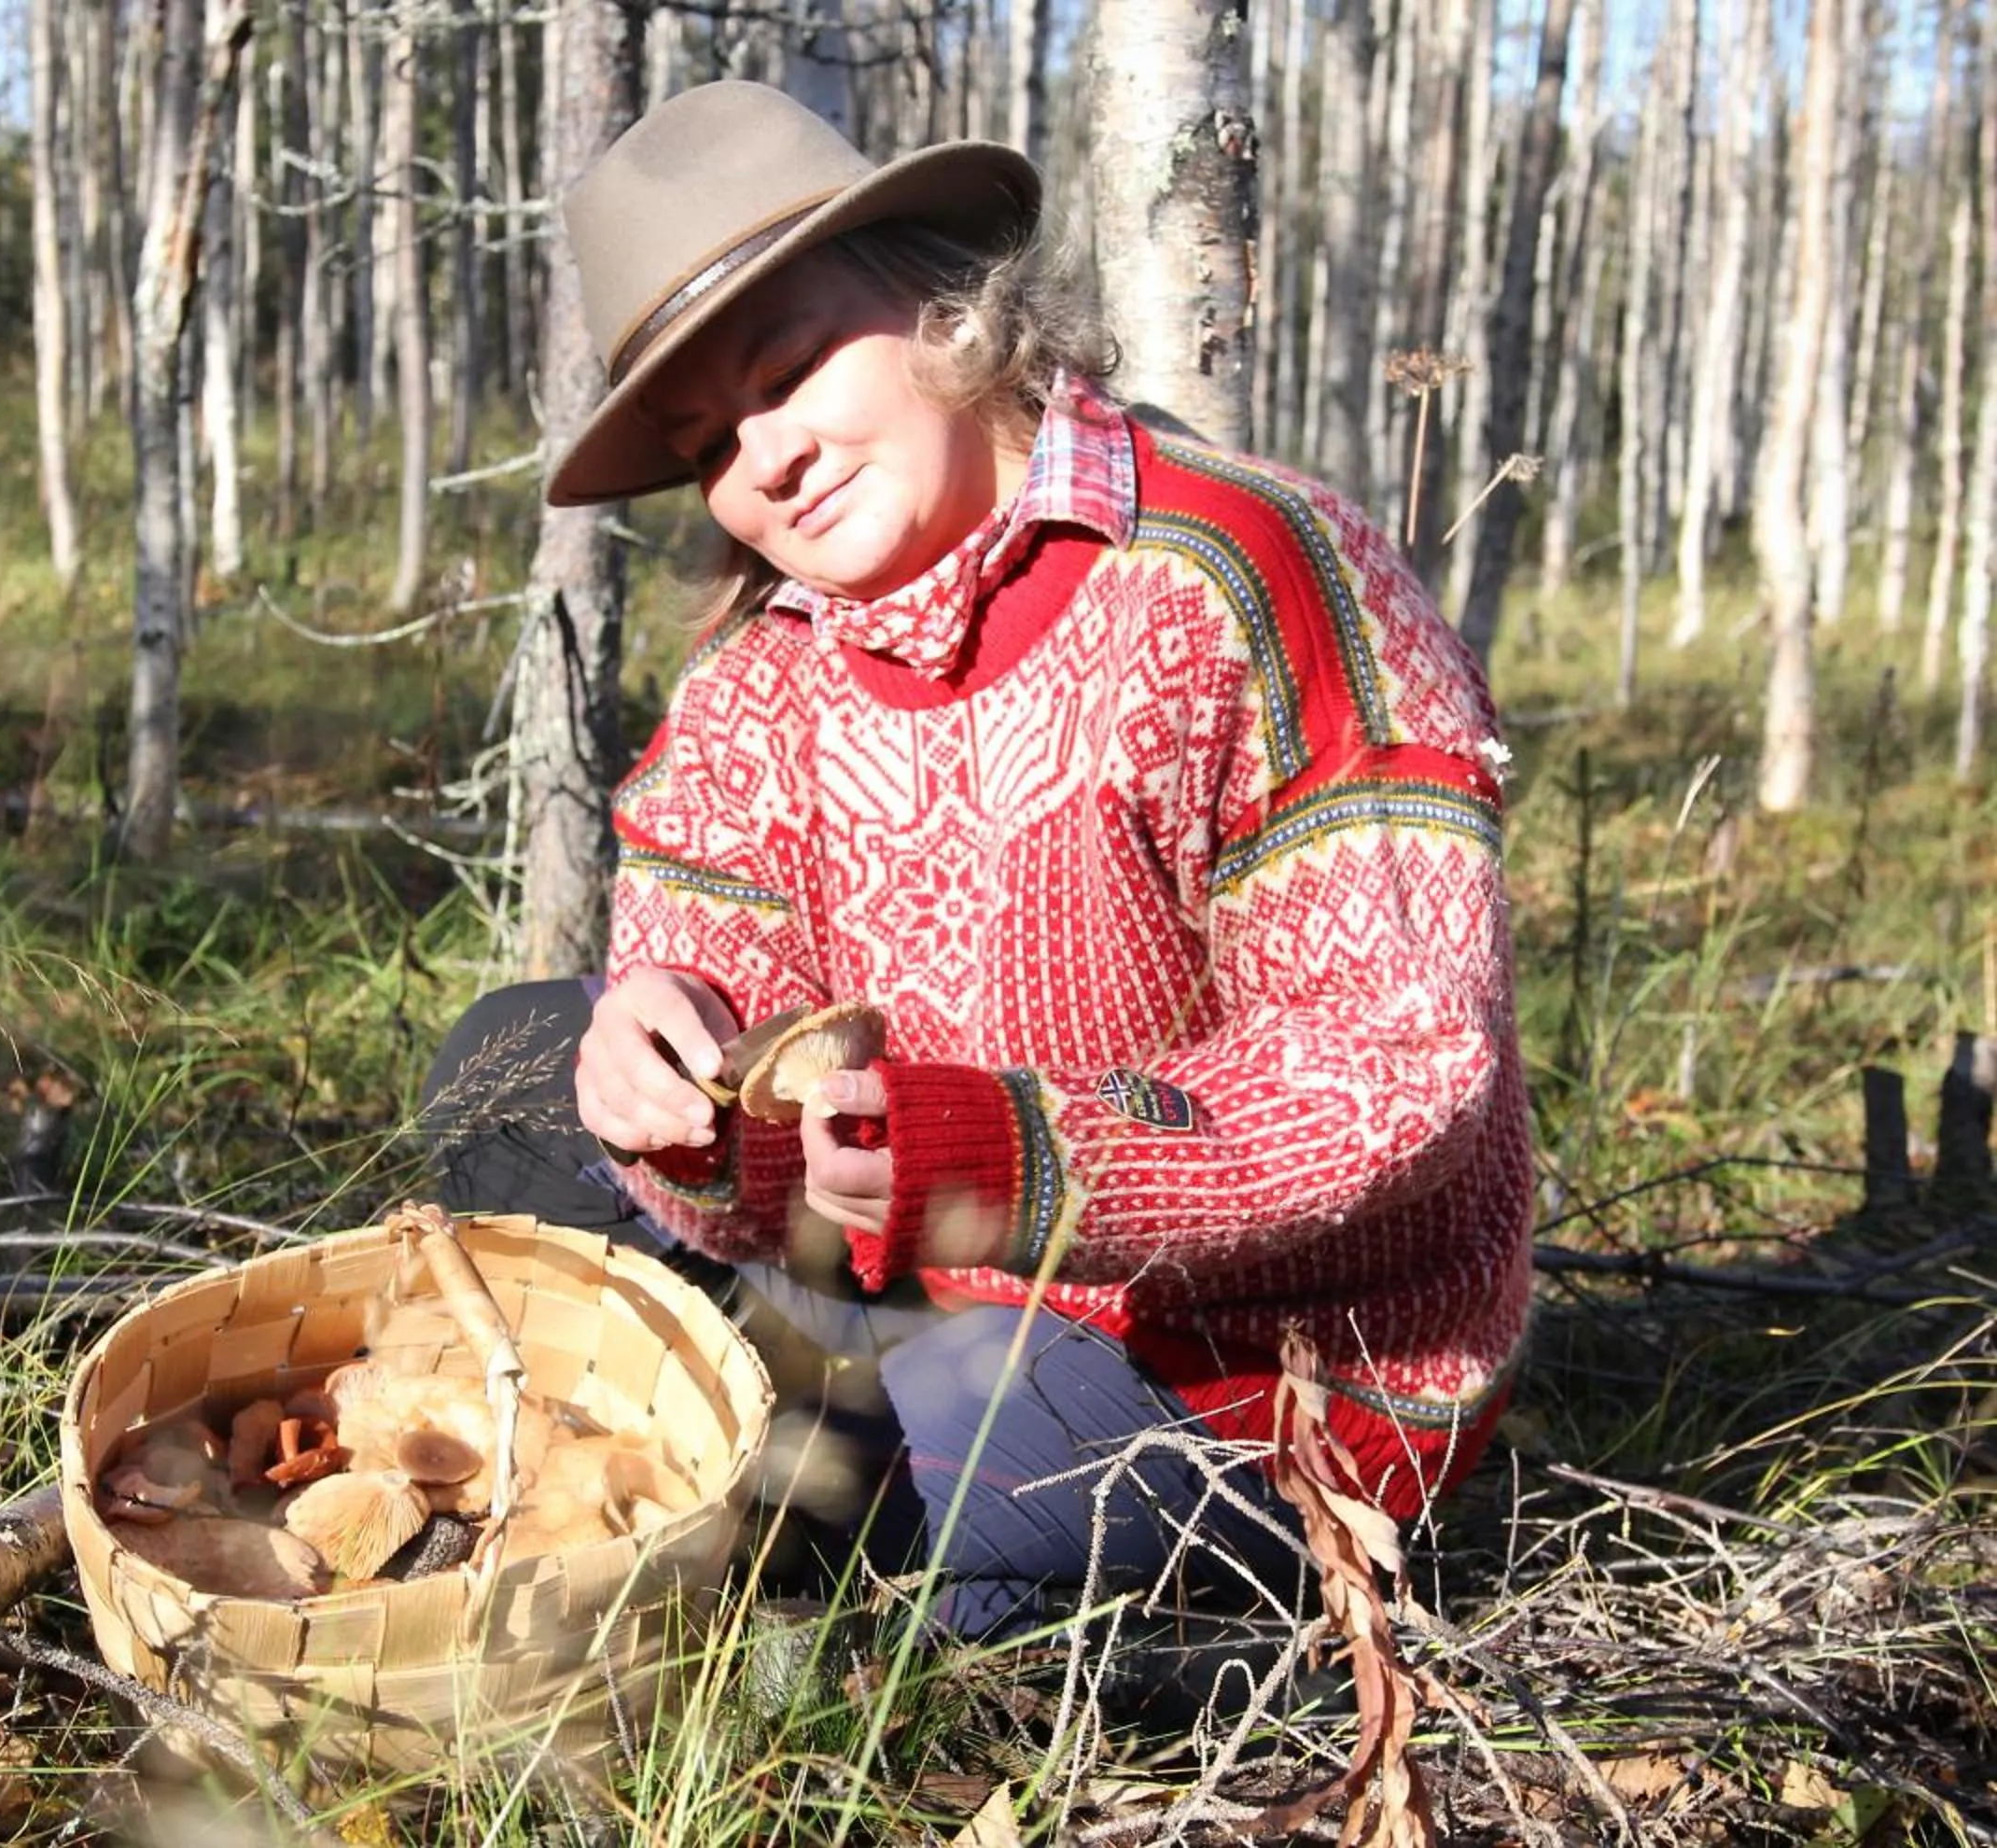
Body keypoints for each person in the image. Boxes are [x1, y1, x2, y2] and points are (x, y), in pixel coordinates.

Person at [421, 80, 1534, 1648]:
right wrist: (664, 1078)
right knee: (508, 1074)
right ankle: (850, 1535)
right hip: (914, 1299)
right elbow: (752, 1154)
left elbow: (1393, 1069)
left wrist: (1007, 1161)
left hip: (1229, 1367)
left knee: (801, 1484)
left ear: (951, 305)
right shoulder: (762, 679)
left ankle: (1077, 1591)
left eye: (793, 368)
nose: (768, 461)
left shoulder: (1253, 572)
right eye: (706, 445)